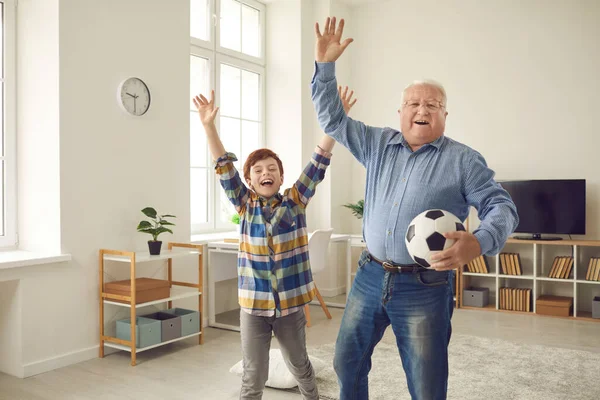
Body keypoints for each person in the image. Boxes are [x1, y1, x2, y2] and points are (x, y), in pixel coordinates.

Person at [311, 17, 519, 400]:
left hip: (425, 287)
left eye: (432, 104)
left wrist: (480, 241)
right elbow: (332, 119)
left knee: (425, 381)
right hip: (369, 275)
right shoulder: (376, 143)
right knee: (346, 360)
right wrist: (325, 67)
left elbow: (500, 205)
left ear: (444, 114)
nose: (421, 109)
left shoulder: (463, 160)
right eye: (413, 103)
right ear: (400, 111)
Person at [193, 87, 356, 400]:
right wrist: (208, 126)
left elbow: (318, 162)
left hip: (290, 306)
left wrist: (336, 119)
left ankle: (312, 397)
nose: (265, 173)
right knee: (253, 374)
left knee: (299, 364)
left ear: (281, 178)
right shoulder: (244, 205)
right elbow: (223, 168)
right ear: (251, 182)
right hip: (253, 307)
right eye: (257, 171)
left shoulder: (295, 202)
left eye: (272, 169)